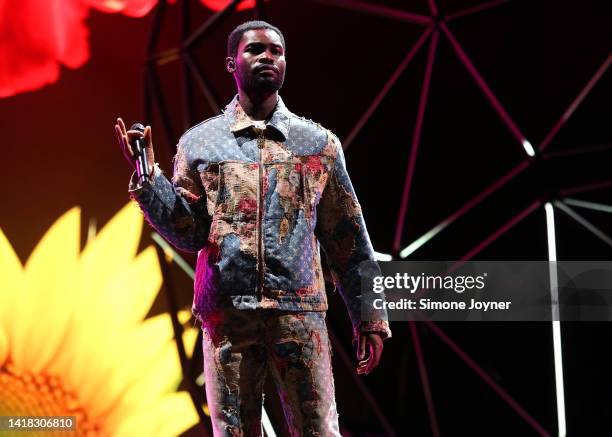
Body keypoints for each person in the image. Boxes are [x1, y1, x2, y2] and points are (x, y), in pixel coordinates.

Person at [115, 20, 391, 437]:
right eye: (255, 50)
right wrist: (147, 176)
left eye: (276, 51)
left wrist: (368, 316)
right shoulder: (200, 144)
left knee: (318, 430)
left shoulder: (317, 143)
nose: (267, 57)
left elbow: (347, 235)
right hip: (228, 318)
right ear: (231, 62)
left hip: (298, 316)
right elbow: (188, 231)